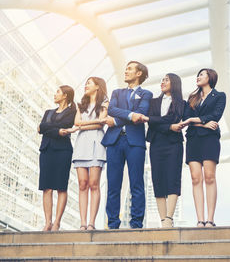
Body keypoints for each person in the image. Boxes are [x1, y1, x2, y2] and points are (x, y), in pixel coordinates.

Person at [101, 61, 153, 229]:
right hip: (114, 141)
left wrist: (116, 120)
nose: (126, 71)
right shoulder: (117, 92)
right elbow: (111, 110)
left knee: (137, 183)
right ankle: (113, 224)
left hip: (135, 142)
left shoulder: (147, 94)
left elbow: (142, 113)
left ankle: (136, 224)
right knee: (113, 184)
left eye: (130, 69)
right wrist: (131, 115)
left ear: (139, 74)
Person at [180, 68, 226, 227]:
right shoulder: (192, 97)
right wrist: (203, 123)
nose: (198, 77)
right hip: (193, 139)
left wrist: (194, 120)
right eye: (198, 75)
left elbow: (216, 117)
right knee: (195, 178)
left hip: (210, 139)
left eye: (202, 74)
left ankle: (210, 219)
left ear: (210, 77)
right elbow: (186, 119)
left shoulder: (219, 96)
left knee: (209, 177)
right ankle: (200, 219)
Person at [141, 73, 185, 228]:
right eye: (162, 80)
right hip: (156, 144)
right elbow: (152, 123)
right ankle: (162, 220)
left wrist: (154, 120)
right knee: (157, 180)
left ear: (175, 83)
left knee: (173, 179)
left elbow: (162, 119)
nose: (163, 82)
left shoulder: (182, 103)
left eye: (167, 79)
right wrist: (169, 126)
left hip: (174, 144)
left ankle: (169, 218)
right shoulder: (153, 102)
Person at [67, 77, 109, 230]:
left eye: (89, 83)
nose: (86, 85)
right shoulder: (81, 105)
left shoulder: (104, 103)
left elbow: (101, 122)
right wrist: (93, 123)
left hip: (96, 143)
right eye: (85, 83)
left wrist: (84, 125)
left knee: (94, 184)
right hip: (82, 144)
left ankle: (92, 222)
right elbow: (77, 123)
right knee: (82, 183)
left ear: (97, 87)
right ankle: (83, 223)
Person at [38, 85, 77, 231]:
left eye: (58, 92)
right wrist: (57, 130)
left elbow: (64, 126)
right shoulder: (48, 112)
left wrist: (48, 129)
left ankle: (57, 223)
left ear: (65, 95)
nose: (55, 94)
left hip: (63, 151)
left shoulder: (72, 112)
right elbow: (40, 128)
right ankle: (47, 222)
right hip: (46, 150)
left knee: (61, 187)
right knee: (46, 187)